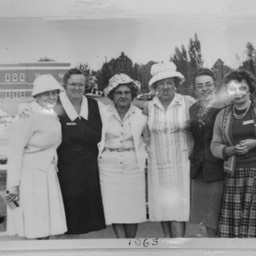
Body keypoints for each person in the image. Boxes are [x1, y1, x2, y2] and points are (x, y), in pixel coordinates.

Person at [18, 68, 106, 237]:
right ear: (65, 85)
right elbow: (34, 107)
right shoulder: (55, 103)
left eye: (81, 84)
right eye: (73, 84)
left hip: (89, 168)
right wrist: (22, 106)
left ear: (86, 85)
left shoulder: (96, 105)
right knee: (65, 216)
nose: (77, 88)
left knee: (83, 219)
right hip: (65, 168)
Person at [5, 74, 67, 239]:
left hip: (48, 174)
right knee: (35, 226)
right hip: (30, 178)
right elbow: (15, 151)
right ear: (36, 95)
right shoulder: (27, 114)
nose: (51, 97)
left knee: (46, 226)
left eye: (54, 93)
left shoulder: (51, 113)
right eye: (46, 93)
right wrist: (13, 185)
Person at [144, 62, 195, 237]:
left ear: (175, 84)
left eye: (169, 83)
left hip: (180, 163)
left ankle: (179, 247)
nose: (165, 87)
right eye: (161, 83)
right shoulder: (149, 107)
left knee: (178, 209)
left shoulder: (187, 102)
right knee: (162, 207)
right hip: (157, 164)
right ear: (155, 86)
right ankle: (167, 244)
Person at [98, 73, 147, 238]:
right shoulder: (103, 113)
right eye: (119, 93)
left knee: (132, 207)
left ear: (132, 94)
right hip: (109, 166)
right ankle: (120, 244)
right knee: (115, 207)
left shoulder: (141, 115)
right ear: (112, 95)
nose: (123, 96)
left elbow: (148, 138)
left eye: (127, 92)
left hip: (133, 164)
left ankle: (131, 244)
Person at [210, 69, 256, 238]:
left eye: (243, 88)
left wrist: (254, 143)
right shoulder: (223, 114)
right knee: (234, 229)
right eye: (233, 89)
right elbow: (214, 145)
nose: (238, 93)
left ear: (250, 89)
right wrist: (230, 150)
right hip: (234, 175)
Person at [189, 68, 225, 237]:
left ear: (215, 85)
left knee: (214, 213)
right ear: (195, 89)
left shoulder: (224, 108)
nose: (204, 89)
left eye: (208, 84)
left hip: (217, 167)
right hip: (198, 168)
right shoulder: (193, 109)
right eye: (200, 86)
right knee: (201, 214)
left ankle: (213, 247)